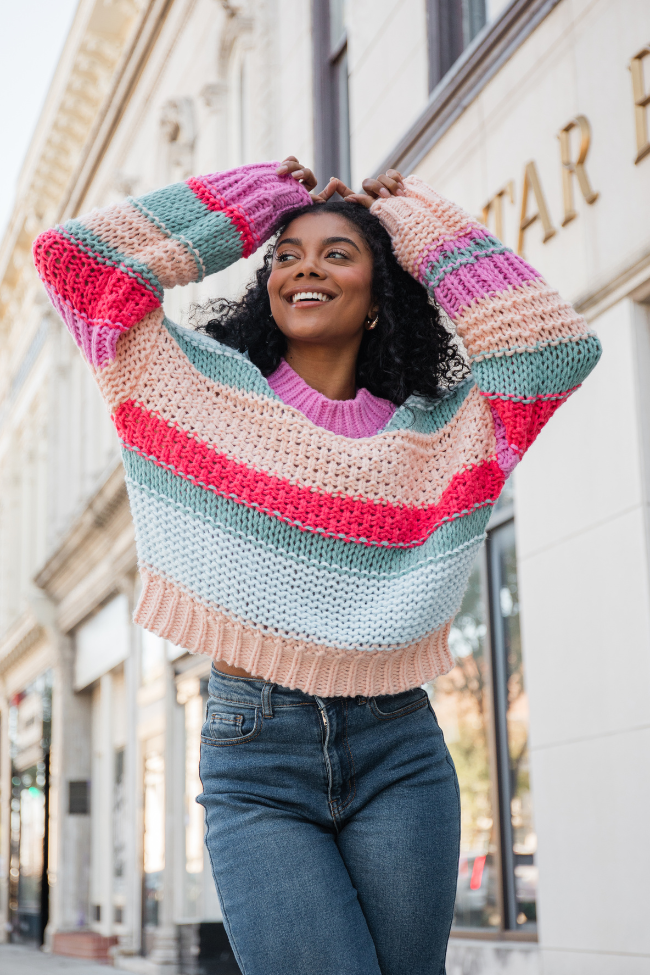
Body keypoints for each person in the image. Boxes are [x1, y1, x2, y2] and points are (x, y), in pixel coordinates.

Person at [33, 156, 601, 975]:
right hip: (255, 754)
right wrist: (267, 196)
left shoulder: (443, 434)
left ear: (380, 294)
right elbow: (79, 263)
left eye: (339, 253)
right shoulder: (189, 385)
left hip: (397, 748)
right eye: (287, 255)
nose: (305, 265)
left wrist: (408, 219)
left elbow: (552, 349)